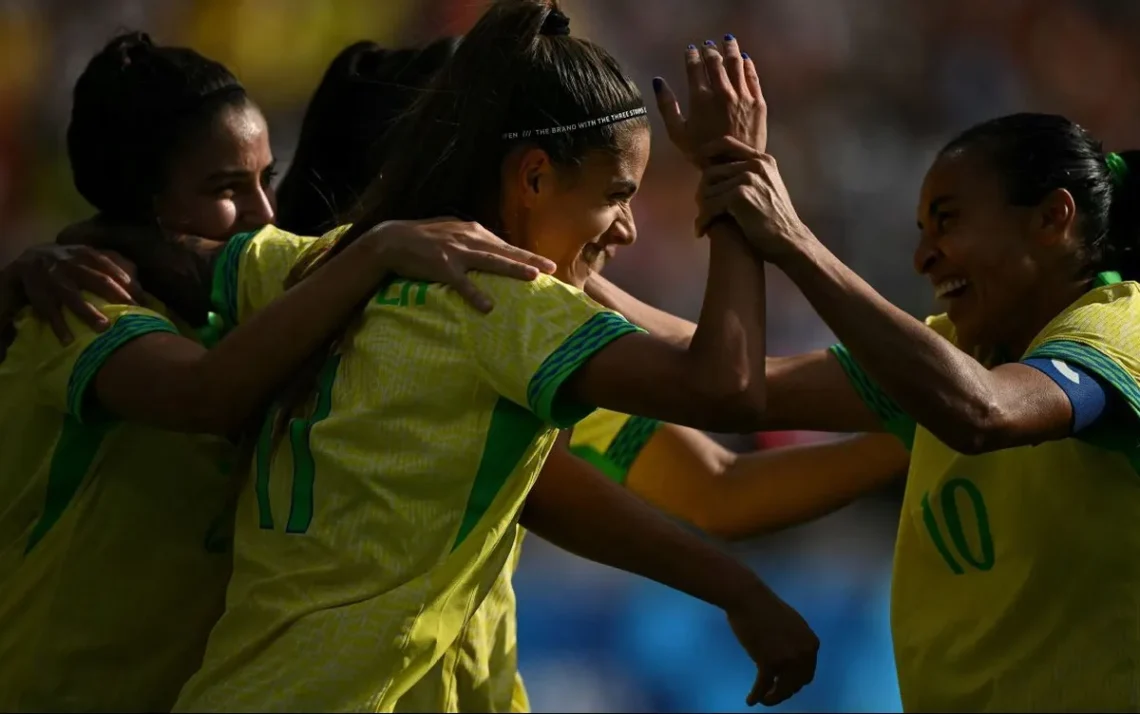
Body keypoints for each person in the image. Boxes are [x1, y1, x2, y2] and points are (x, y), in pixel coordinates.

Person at [171, 2, 818, 711]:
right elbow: (727, 392)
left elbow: (171, 251)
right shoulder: (507, 302)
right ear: (534, 176)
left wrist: (53, 259)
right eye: (615, 195)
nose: (628, 230)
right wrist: (734, 186)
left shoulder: (332, 263)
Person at [0, 32, 551, 713]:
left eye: (268, 177)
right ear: (140, 196)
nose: (263, 212)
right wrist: (374, 252)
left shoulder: (258, 318)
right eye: (225, 188)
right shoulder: (79, 309)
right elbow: (203, 395)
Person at [689, 106, 1140, 710]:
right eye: (923, 231)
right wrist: (566, 280)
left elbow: (984, 411)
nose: (923, 256)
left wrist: (793, 242)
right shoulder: (951, 354)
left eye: (947, 222)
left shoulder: (1119, 331)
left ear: (1051, 219)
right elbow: (736, 387)